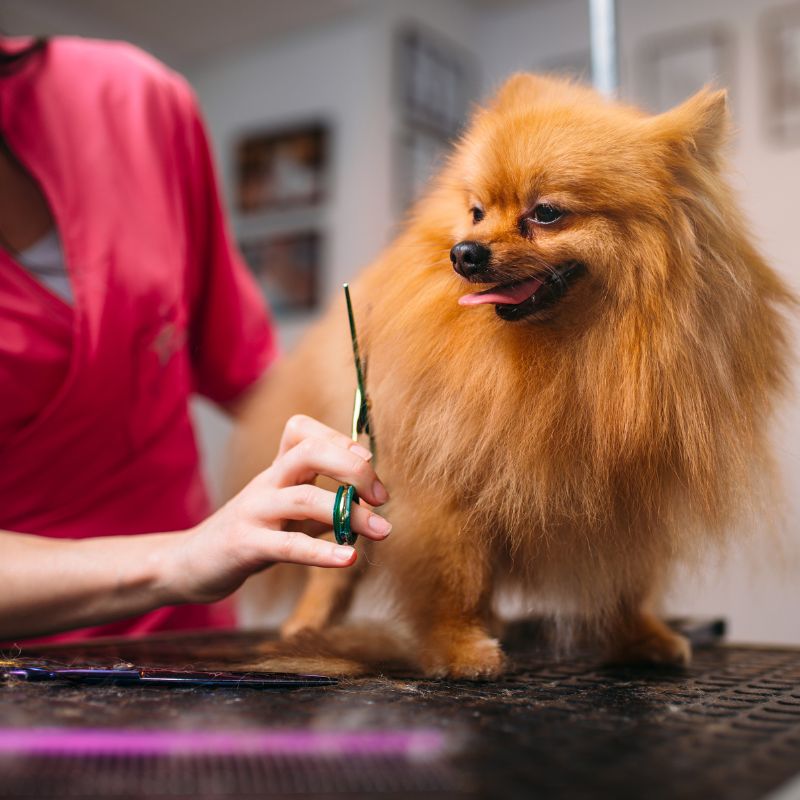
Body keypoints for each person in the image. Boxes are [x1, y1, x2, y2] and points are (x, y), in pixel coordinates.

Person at [0, 36, 391, 644]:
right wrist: (183, 559)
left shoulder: (137, 99)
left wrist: (395, 430)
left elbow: (257, 377)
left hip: (188, 642)